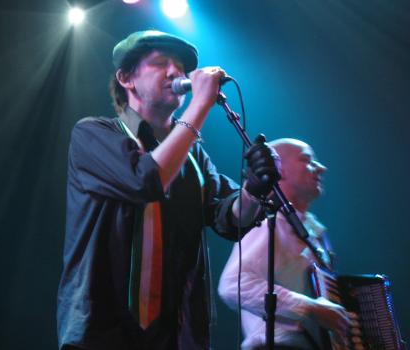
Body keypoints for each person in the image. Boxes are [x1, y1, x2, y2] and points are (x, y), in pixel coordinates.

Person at [57, 30, 281, 350]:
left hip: (178, 335)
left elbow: (227, 216)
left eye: (181, 66)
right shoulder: (94, 134)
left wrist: (254, 190)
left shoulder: (192, 156)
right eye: (161, 63)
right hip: (104, 333)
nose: (177, 72)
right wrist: (201, 106)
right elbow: (145, 180)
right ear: (126, 78)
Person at [218, 138, 352, 349]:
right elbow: (232, 285)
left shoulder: (311, 229)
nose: (321, 168)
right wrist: (309, 308)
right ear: (280, 169)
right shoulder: (266, 222)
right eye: (307, 160)